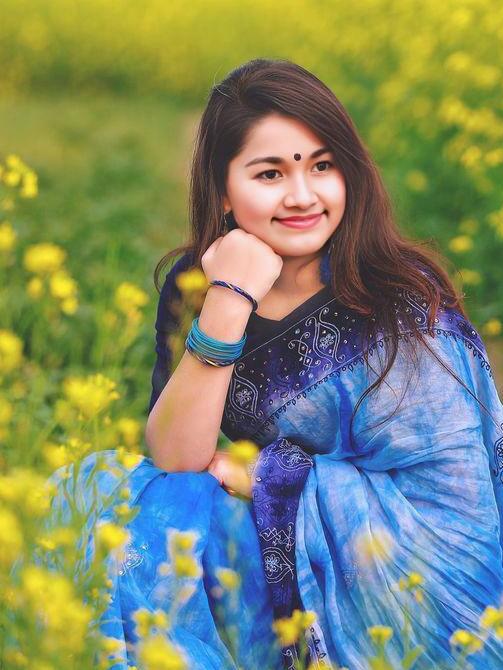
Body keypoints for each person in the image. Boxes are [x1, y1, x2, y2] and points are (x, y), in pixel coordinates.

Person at [47, 58, 503, 670]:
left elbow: (450, 518)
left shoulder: (398, 300)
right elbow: (177, 458)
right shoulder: (197, 282)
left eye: (322, 166)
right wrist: (230, 298)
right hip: (252, 553)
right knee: (117, 500)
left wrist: (269, 477)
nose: (302, 196)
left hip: (394, 584)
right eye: (269, 173)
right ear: (223, 190)